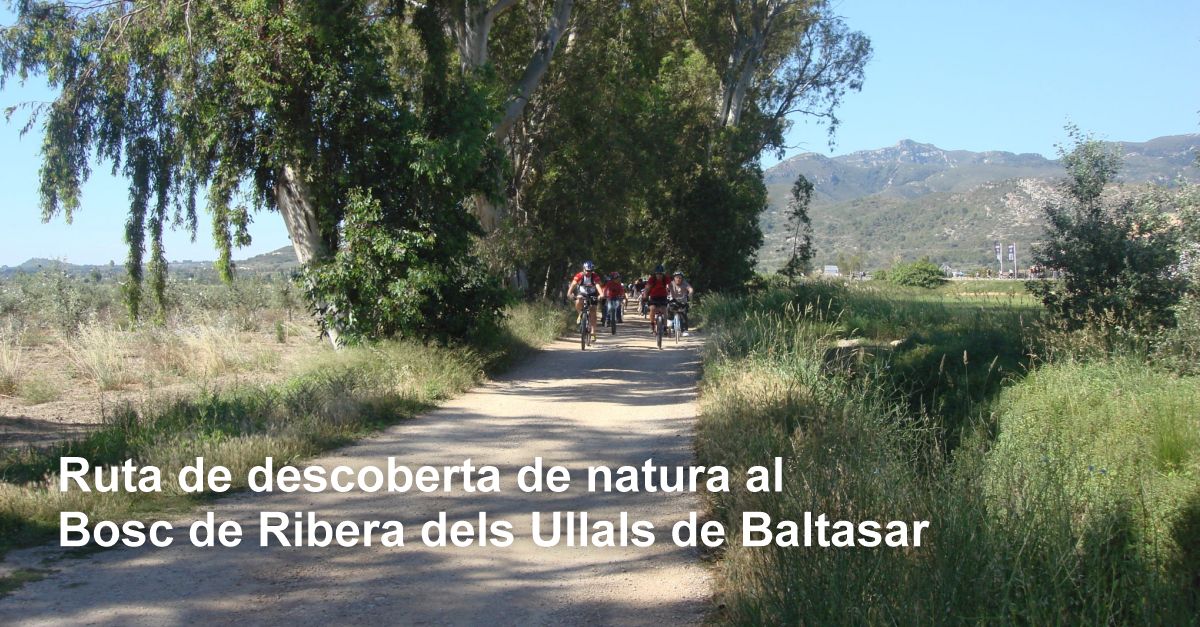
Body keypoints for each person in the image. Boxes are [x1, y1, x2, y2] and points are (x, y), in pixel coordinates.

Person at [568, 261, 604, 340]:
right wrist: (569, 293)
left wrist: (601, 294)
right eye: (587, 270)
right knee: (578, 300)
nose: (588, 272)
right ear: (583, 269)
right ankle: (580, 314)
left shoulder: (595, 276)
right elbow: (573, 284)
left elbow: (598, 285)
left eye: (590, 271)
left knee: (593, 310)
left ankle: (593, 331)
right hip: (582, 292)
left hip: (592, 293)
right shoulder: (579, 275)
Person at [641, 265, 671, 334]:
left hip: (663, 296)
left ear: (662, 273)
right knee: (652, 308)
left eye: (660, 273)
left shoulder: (665, 278)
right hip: (653, 297)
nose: (659, 275)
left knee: (665, 310)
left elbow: (670, 286)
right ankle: (652, 325)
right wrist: (645, 296)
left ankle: (665, 327)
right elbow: (647, 288)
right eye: (657, 273)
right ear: (655, 273)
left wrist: (672, 294)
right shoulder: (652, 279)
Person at [666, 270, 694, 336]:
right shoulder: (671, 283)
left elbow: (690, 289)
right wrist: (666, 292)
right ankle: (670, 321)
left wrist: (690, 293)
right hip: (673, 301)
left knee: (684, 314)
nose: (678, 279)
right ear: (674, 278)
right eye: (677, 277)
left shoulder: (685, 283)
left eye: (680, 277)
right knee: (669, 307)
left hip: (682, 301)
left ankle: (684, 330)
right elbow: (666, 288)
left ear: (682, 278)